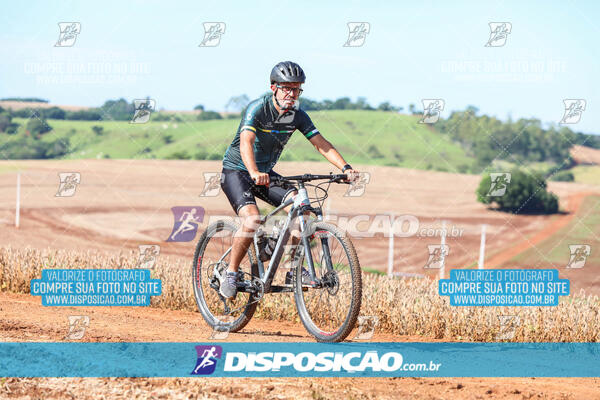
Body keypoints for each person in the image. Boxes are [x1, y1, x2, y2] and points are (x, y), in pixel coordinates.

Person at [219, 61, 359, 298]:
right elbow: (247, 143)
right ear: (273, 87)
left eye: (296, 89)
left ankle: (292, 270)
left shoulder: (297, 116)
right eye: (286, 88)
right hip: (237, 171)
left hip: (265, 173)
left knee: (301, 207)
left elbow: (321, 145)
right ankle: (231, 272)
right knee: (252, 219)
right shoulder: (258, 109)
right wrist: (253, 171)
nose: (291, 94)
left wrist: (345, 167)